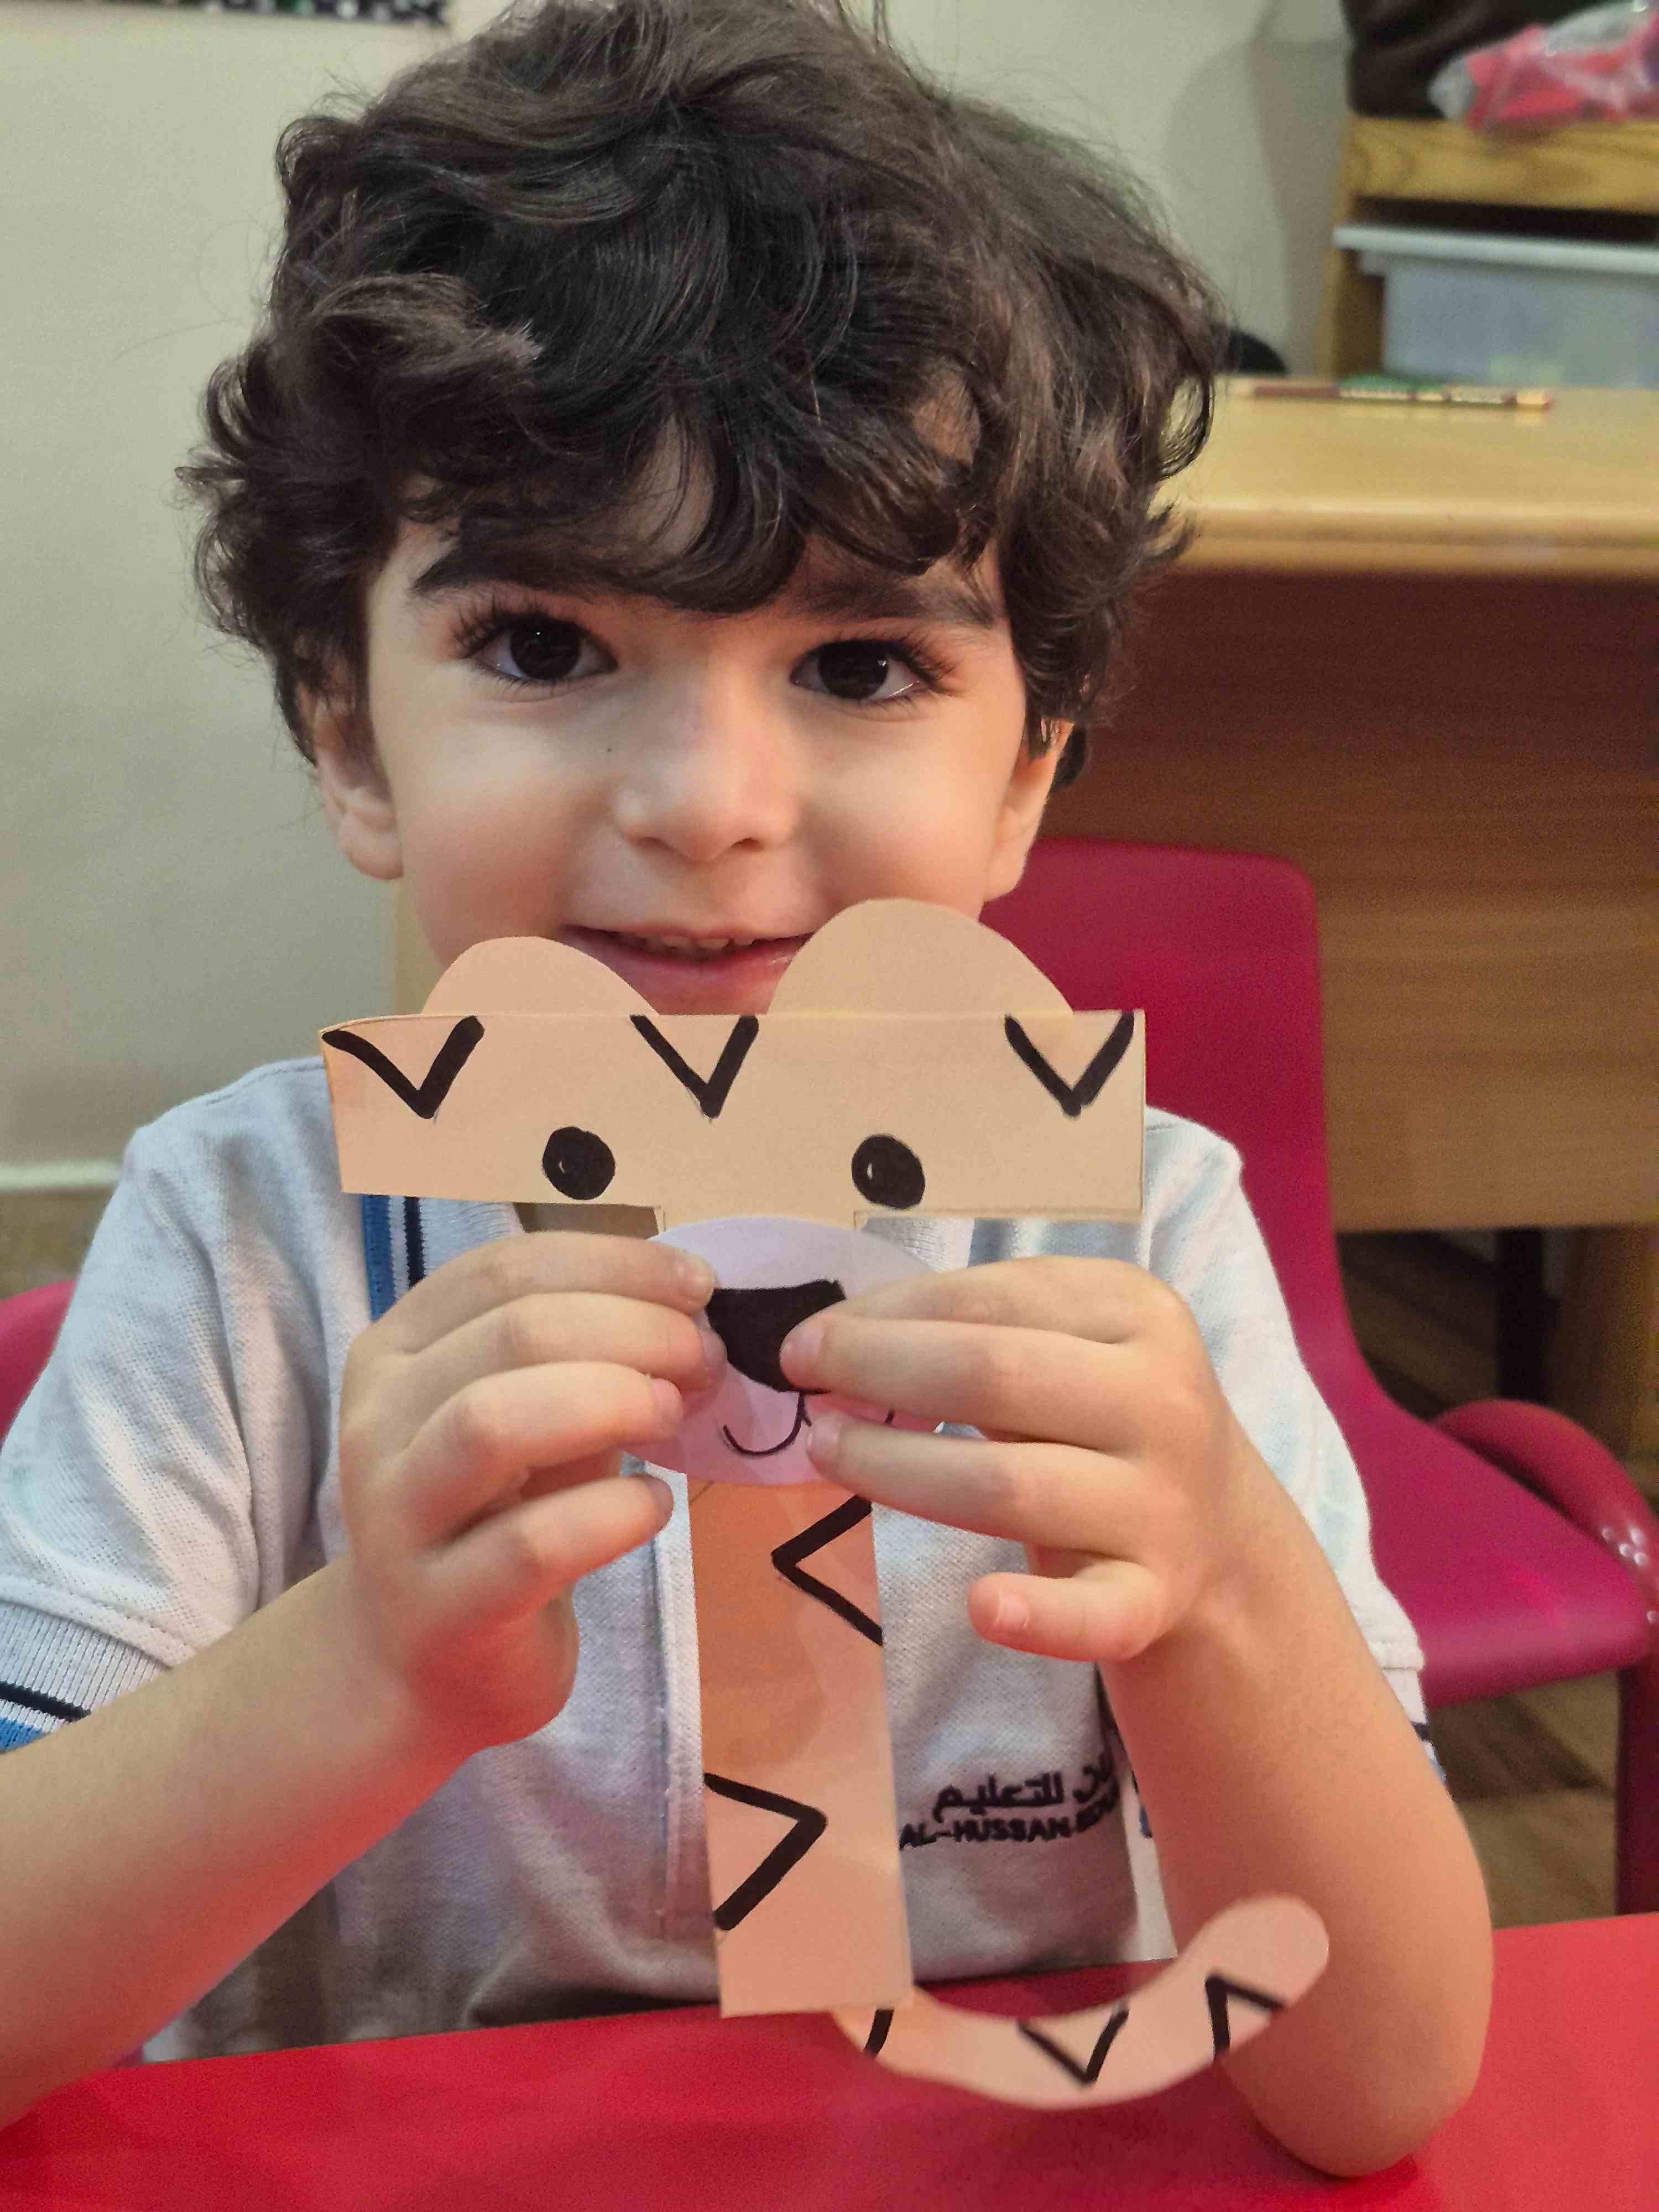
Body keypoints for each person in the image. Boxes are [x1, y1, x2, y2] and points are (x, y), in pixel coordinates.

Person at [0, 0, 1490, 2167]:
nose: (708, 801)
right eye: (543, 644)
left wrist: (1225, 1588)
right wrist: (366, 1673)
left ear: (1028, 769)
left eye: (862, 662)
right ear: (347, 730)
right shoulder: (244, 1242)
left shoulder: (1137, 1235)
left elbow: (1385, 2084)